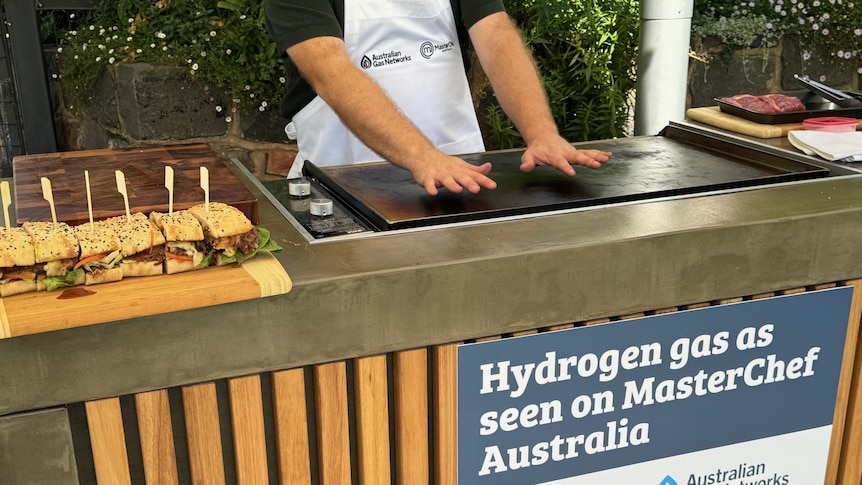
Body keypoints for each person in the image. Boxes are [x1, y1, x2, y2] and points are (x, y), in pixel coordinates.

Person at [263, 0, 611, 196]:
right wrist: (422, 156)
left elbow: (496, 32)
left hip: (462, 185)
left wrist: (541, 133)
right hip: (342, 196)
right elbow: (329, 69)